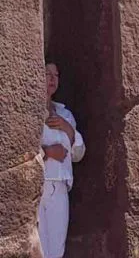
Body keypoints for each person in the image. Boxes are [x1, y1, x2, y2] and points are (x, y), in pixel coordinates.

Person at [38, 61, 86, 258]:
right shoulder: (29, 111)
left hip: (60, 187)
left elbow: (78, 154)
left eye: (55, 75)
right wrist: (47, 153)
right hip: (38, 186)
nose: (51, 79)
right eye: (47, 73)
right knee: (38, 248)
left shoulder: (66, 114)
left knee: (57, 250)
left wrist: (68, 129)